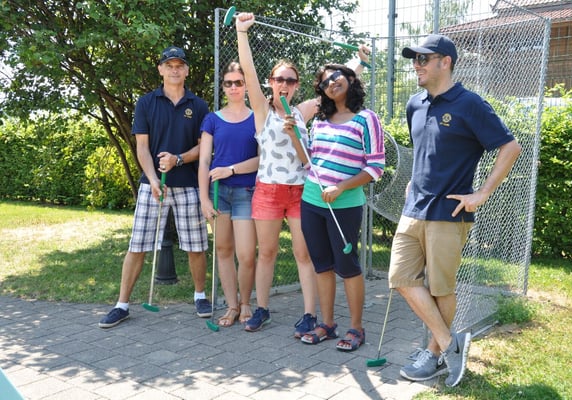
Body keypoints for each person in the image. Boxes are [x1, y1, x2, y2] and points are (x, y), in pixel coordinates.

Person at [390, 34, 522, 386]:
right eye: (414, 59)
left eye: (423, 59)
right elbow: (425, 150)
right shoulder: (415, 104)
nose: (416, 65)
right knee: (400, 278)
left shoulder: (470, 104)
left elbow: (510, 147)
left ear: (445, 62)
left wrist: (482, 193)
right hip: (413, 208)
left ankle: (434, 354)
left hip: (449, 213)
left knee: (440, 288)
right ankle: (451, 344)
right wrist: (413, 179)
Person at [235, 12, 372, 336]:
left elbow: (336, 82)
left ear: (296, 86)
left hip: (301, 191)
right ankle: (262, 309)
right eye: (279, 79)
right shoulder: (262, 110)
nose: (284, 84)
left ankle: (310, 315)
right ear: (271, 82)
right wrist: (242, 33)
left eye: (291, 80)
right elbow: (249, 72)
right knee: (267, 253)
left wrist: (361, 61)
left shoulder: (303, 111)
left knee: (304, 254)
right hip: (268, 191)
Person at [99, 46, 211, 329]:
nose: (174, 70)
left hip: (188, 185)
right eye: (169, 65)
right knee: (137, 246)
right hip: (153, 187)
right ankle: (122, 305)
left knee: (196, 246)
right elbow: (142, 147)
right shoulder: (146, 102)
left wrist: (178, 159)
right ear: (160, 69)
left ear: (186, 70)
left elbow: (204, 147)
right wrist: (151, 179)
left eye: (179, 65)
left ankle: (200, 296)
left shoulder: (198, 106)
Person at [290, 65, 385, 352]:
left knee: (347, 266)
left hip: (344, 205)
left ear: (350, 78)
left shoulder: (366, 119)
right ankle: (328, 324)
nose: (331, 83)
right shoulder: (320, 120)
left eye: (335, 76)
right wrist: (293, 134)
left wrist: (341, 187)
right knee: (322, 264)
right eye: (324, 83)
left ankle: (356, 328)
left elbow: (376, 168)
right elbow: (309, 161)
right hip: (312, 201)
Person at [199, 61, 259, 327]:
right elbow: (204, 162)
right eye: (228, 83)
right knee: (223, 250)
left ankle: (246, 303)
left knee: (246, 254)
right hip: (218, 193)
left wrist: (231, 170)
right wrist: (203, 199)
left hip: (246, 191)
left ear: (246, 85)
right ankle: (232, 306)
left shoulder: (257, 117)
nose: (233, 87)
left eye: (238, 82)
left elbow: (261, 160)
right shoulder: (212, 119)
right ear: (222, 86)